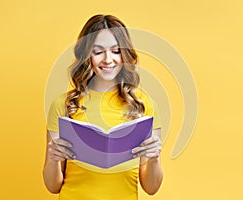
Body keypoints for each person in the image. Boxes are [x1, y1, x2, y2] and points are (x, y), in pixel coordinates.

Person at [43, 14, 163, 200]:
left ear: (125, 54)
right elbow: (52, 186)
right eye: (98, 52)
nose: (108, 60)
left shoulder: (144, 106)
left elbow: (151, 188)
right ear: (86, 55)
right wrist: (53, 159)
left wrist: (154, 158)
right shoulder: (64, 105)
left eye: (116, 51)